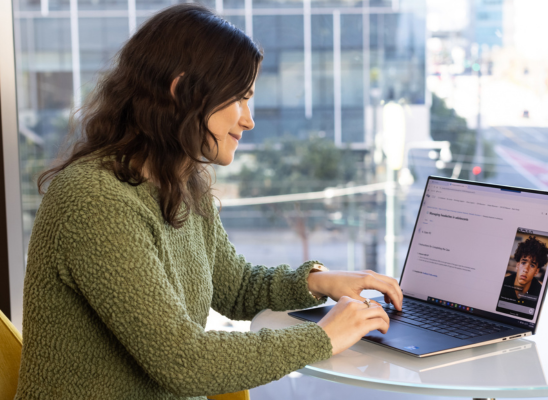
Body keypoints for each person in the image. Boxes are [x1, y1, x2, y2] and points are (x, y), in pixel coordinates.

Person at [14, 4, 402, 399]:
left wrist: (317, 281)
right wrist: (322, 336)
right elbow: (183, 361)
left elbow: (234, 287)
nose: (248, 120)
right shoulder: (94, 200)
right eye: (239, 98)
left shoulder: (179, 181)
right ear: (183, 91)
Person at [499, 236, 548, 309]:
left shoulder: (541, 293)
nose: (526, 269)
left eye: (532, 265)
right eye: (523, 263)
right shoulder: (502, 284)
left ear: (536, 271)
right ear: (517, 265)